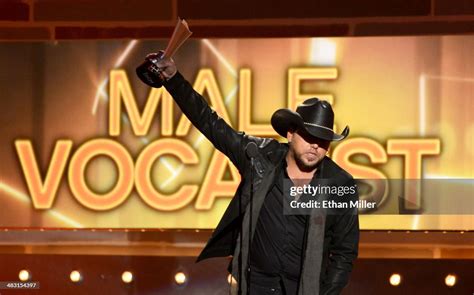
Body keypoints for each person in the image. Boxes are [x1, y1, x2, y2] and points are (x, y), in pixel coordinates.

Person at [150, 55, 359, 295]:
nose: (315, 146)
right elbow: (210, 123)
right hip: (256, 285)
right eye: (309, 137)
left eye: (323, 141)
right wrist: (173, 79)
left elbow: (345, 252)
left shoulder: (340, 184)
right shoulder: (259, 157)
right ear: (290, 134)